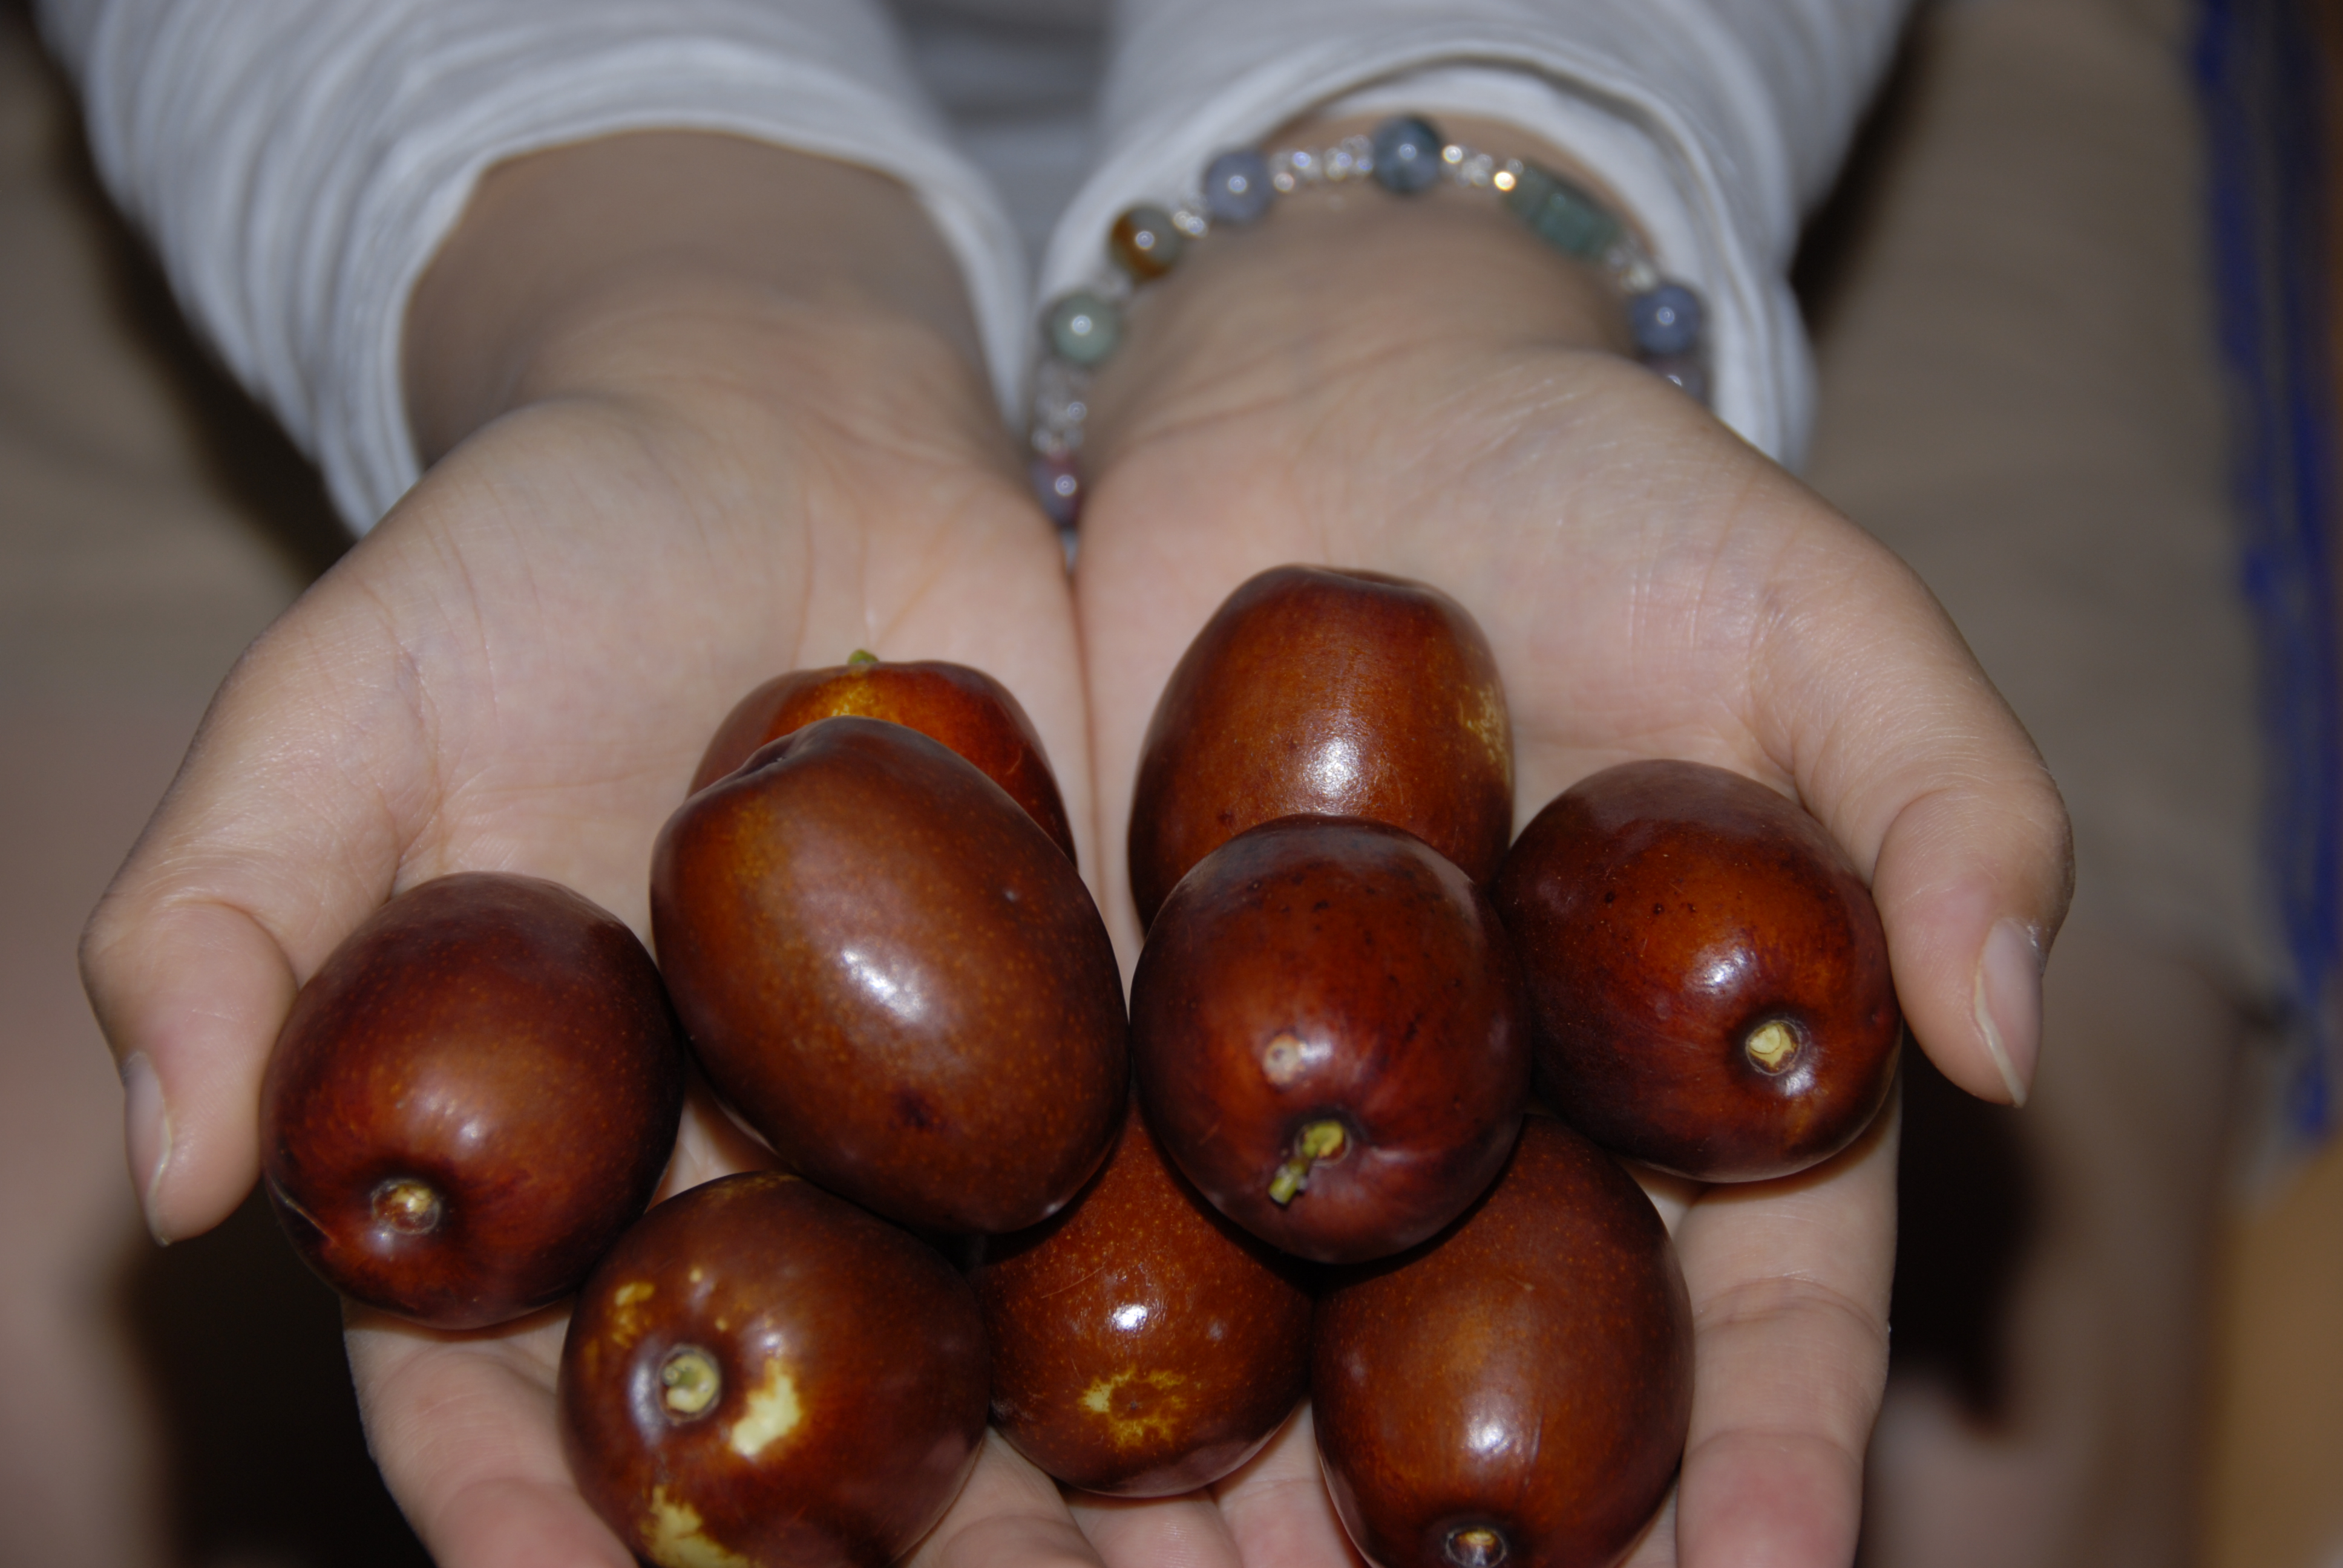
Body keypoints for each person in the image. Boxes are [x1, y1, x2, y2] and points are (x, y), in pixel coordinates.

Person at [43, 1, 2074, 1564]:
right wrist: (673, 292)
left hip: (1606, 111)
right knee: (49, 1414)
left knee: (2032, 1467)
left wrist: (1439, 258)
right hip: (504, 159)